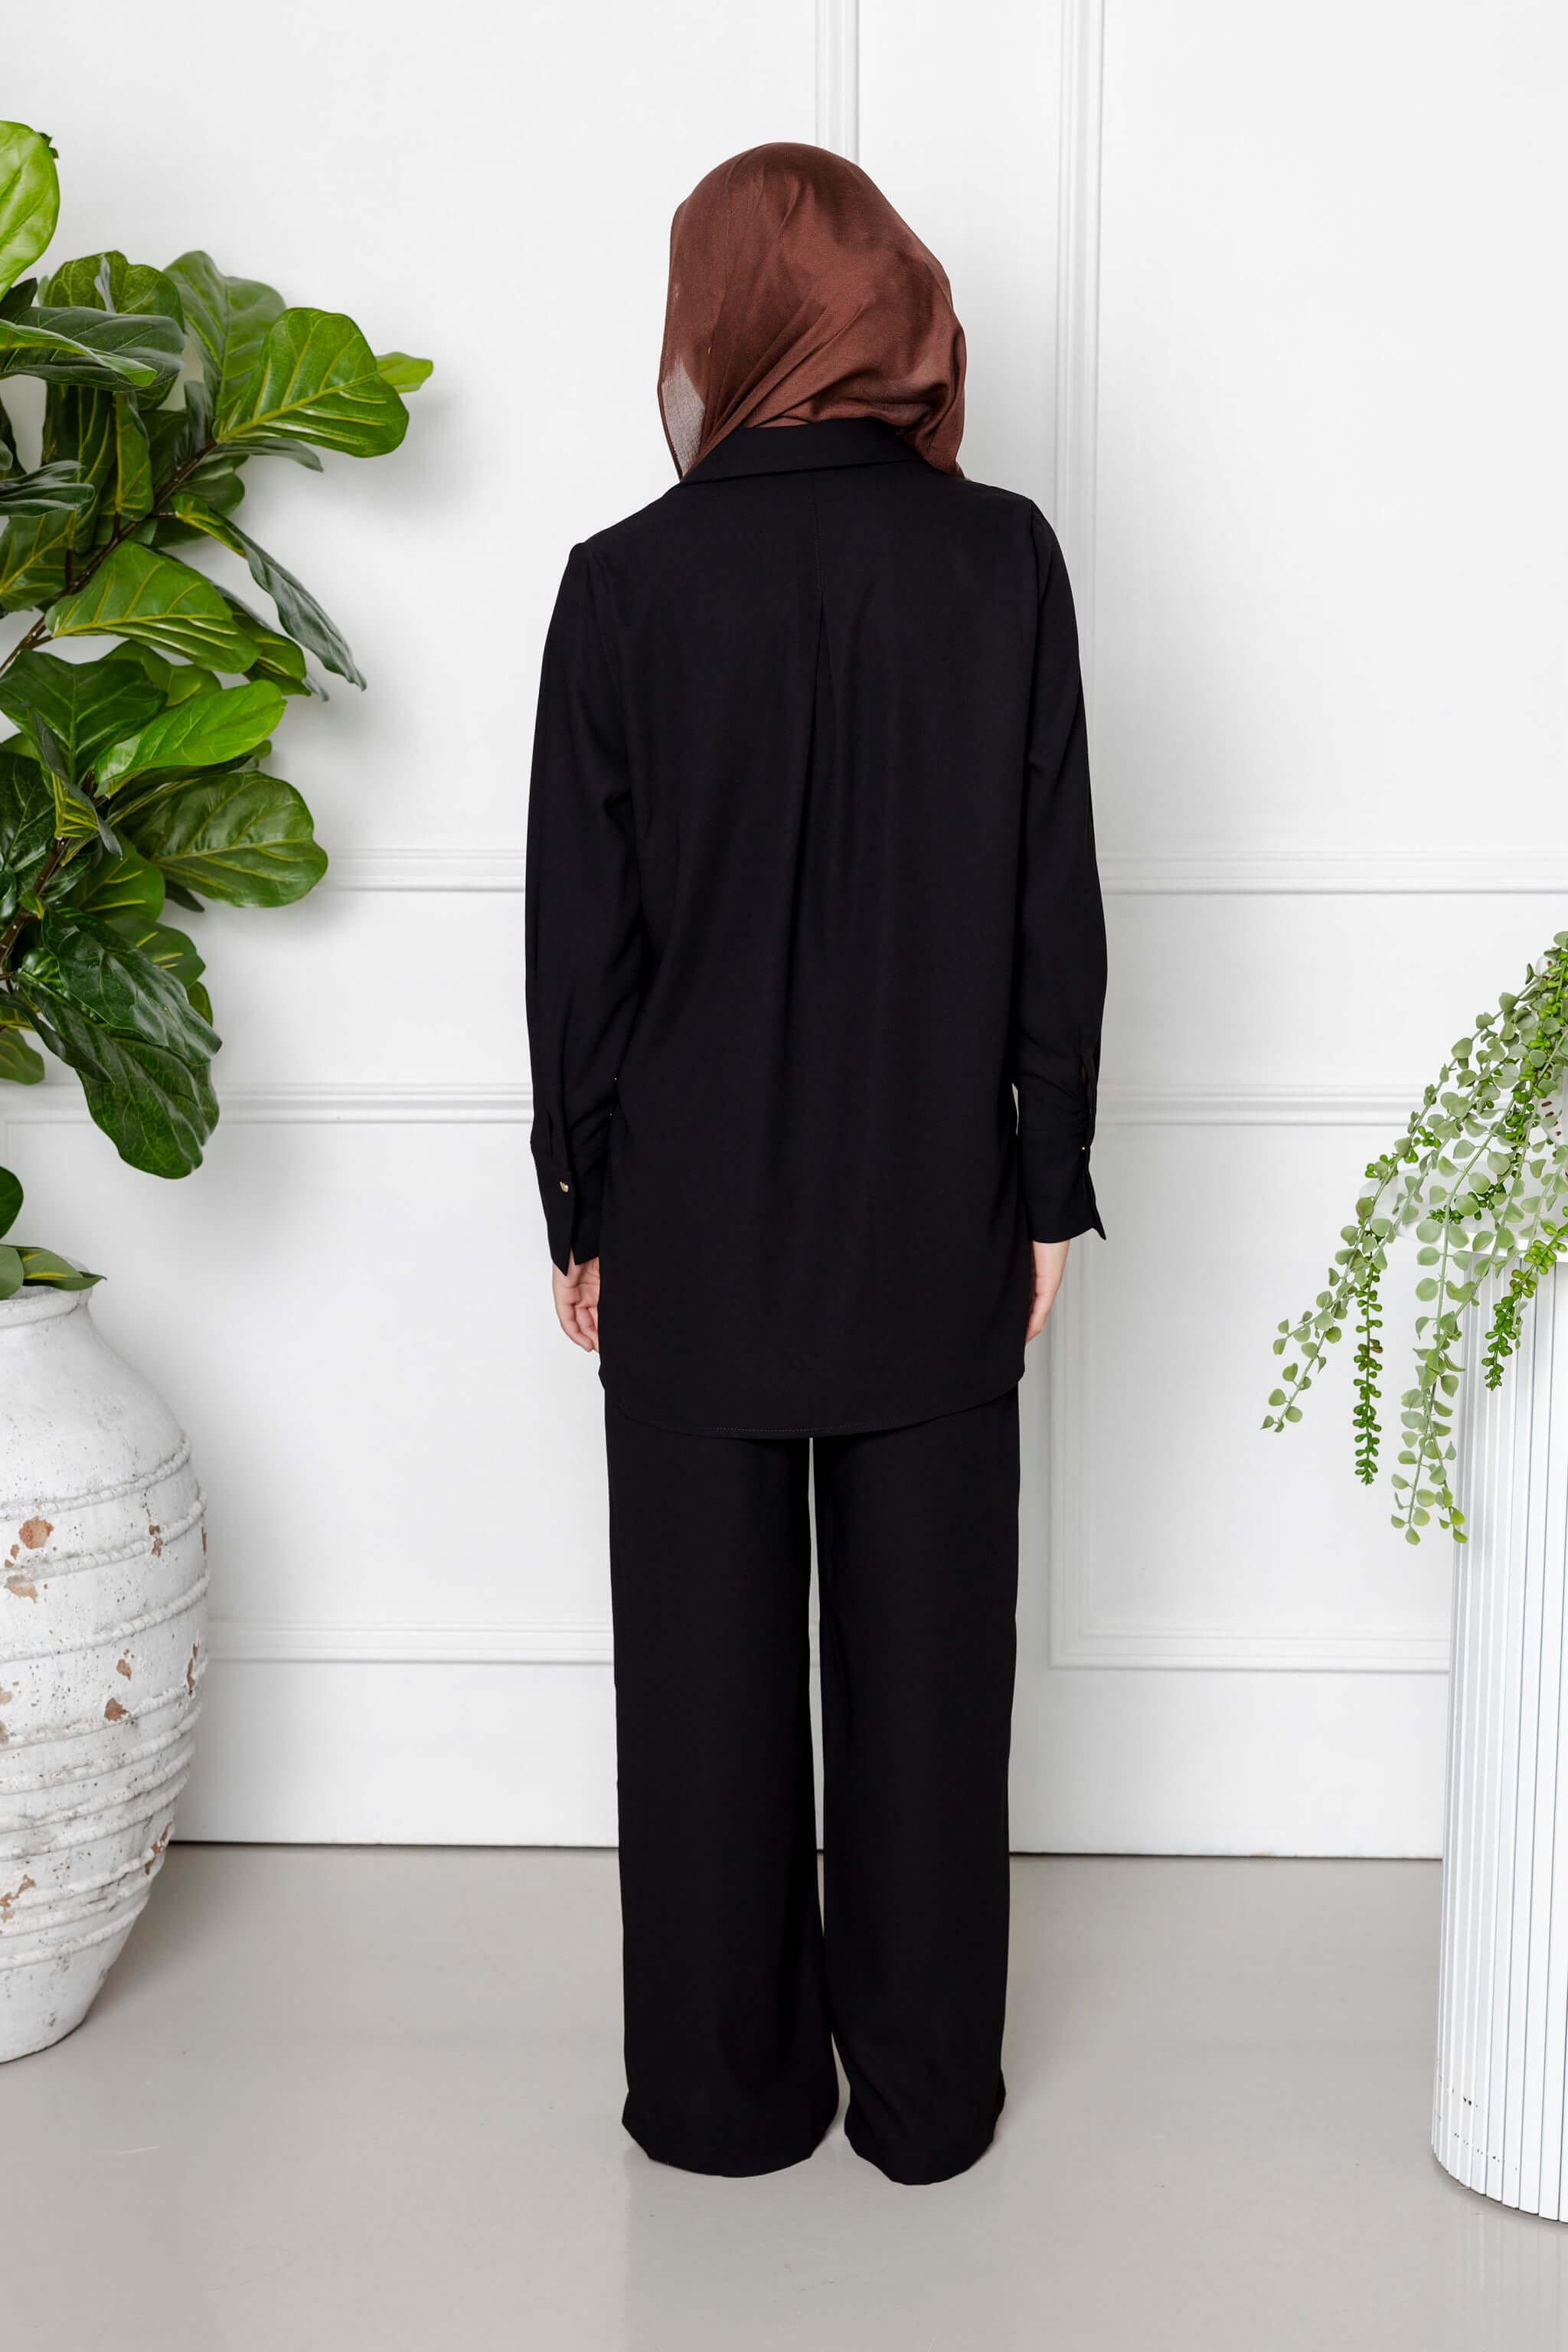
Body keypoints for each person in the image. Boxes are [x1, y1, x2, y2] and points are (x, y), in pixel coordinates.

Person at [525, 142, 1106, 2186]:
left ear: (713, 325)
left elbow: (575, 942)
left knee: (701, 1693)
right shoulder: (1003, 562)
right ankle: (928, 2102)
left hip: (687, 1226)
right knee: (933, 1694)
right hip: (935, 1214)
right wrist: (1053, 1187)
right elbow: (1059, 906)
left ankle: (719, 2097)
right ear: (901, 309)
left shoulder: (623, 585)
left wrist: (577, 1205)